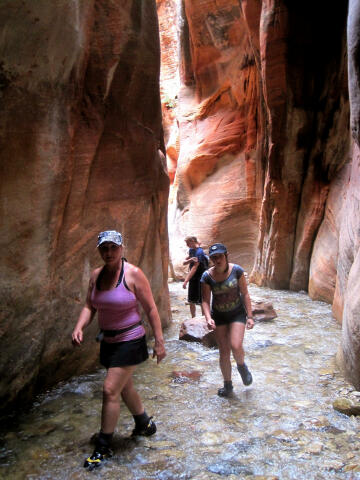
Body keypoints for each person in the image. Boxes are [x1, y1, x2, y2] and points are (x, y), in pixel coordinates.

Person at [72, 230, 166, 469]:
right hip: (109, 342)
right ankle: (144, 424)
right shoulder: (96, 275)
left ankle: (104, 446)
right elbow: (89, 306)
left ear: (122, 248)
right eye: (104, 248)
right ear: (99, 250)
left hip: (131, 340)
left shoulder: (133, 274)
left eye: (114, 247)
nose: (109, 252)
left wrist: (159, 341)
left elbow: (152, 309)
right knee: (125, 387)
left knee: (110, 389)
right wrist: (80, 326)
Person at [200, 243, 254, 397]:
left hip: (237, 313)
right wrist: (208, 318)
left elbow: (245, 294)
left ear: (226, 256)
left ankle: (242, 366)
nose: (217, 260)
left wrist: (249, 316)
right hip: (219, 316)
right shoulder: (206, 276)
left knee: (236, 345)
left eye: (220, 256)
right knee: (224, 352)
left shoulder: (237, 270)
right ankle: (228, 385)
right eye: (214, 257)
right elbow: (205, 300)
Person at [182, 236, 208, 317]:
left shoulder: (199, 252)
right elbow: (184, 263)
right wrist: (190, 260)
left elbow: (194, 268)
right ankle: (193, 318)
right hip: (193, 278)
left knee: (201, 300)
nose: (186, 245)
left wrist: (186, 281)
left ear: (193, 241)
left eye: (187, 243)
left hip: (200, 278)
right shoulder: (191, 250)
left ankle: (204, 317)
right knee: (191, 300)